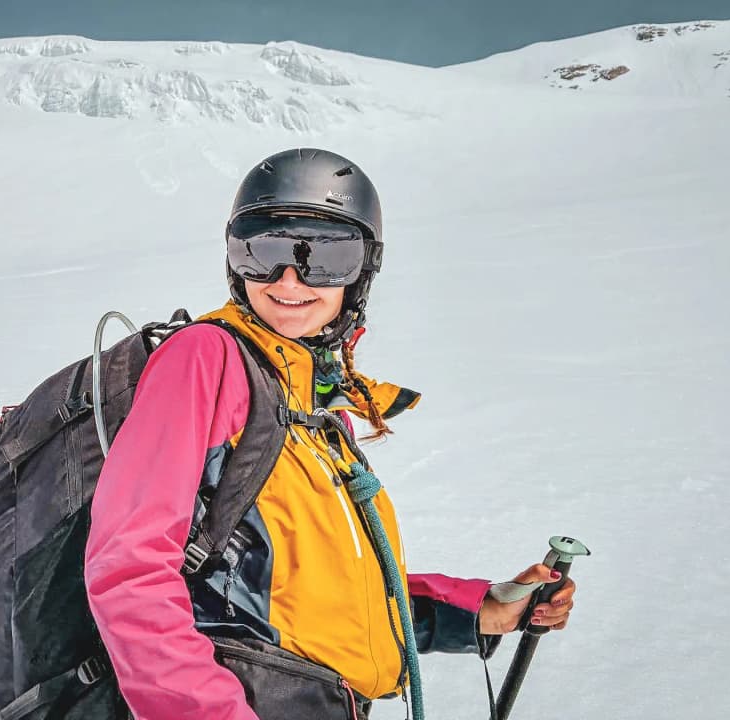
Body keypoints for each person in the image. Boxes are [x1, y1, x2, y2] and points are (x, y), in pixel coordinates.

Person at [82, 148, 577, 720]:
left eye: (325, 256)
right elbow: (130, 570)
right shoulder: (205, 358)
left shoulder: (313, 405)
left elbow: (316, 596)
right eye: (262, 250)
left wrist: (480, 611)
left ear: (363, 270)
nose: (289, 278)